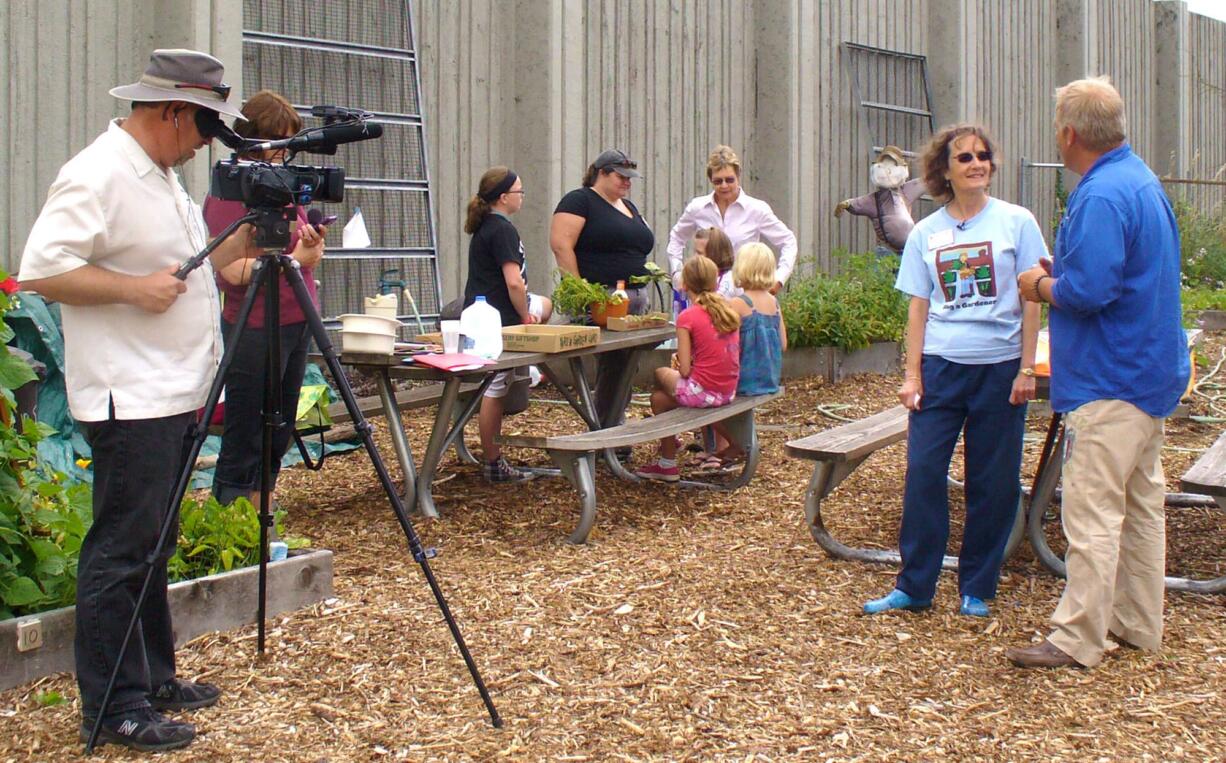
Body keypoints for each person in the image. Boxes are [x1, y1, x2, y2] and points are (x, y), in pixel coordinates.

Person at [18, 49, 256, 752]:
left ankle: (152, 674)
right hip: (132, 394)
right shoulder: (98, 172)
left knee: (154, 543)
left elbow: (179, 267)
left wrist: (241, 240)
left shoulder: (159, 176)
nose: (206, 142)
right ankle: (112, 704)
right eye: (205, 126)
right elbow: (43, 267)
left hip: (171, 389)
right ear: (172, 111)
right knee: (122, 550)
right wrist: (131, 291)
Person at [1007, 77, 1190, 669]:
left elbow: (1091, 292)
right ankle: (1137, 622)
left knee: (1091, 513)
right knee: (1140, 507)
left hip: (1111, 378)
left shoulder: (1100, 194)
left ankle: (1077, 637)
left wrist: (1041, 285)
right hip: (1151, 374)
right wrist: (1067, 269)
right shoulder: (1139, 180)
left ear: (1068, 132)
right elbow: (1128, 270)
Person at [862, 123, 1044, 619]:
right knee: (923, 475)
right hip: (942, 369)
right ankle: (915, 585)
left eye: (983, 155)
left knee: (994, 481)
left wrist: (1027, 367)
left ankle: (977, 587)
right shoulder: (927, 232)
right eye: (964, 157)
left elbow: (1033, 301)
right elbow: (918, 309)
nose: (976, 163)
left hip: (1000, 370)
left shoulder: (1017, 223)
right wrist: (912, 376)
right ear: (944, 169)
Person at [204, 89, 328, 511]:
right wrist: (295, 259)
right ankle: (231, 526)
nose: (281, 156)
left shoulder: (281, 186)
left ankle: (264, 518)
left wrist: (311, 246)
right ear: (253, 139)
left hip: (296, 317)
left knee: (279, 428)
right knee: (248, 429)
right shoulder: (231, 191)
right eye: (277, 144)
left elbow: (294, 251)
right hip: (254, 324)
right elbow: (230, 271)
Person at [550, 149, 654, 428]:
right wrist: (579, 292)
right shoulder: (580, 201)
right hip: (602, 295)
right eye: (621, 177)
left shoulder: (629, 207)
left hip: (634, 296)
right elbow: (561, 244)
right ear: (602, 173)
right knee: (613, 361)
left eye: (630, 178)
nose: (627, 183)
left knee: (625, 362)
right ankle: (605, 426)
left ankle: (612, 422)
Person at [462, 166, 553, 483]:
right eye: (519, 191)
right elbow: (514, 283)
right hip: (498, 320)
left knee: (545, 304)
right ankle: (492, 462)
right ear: (503, 197)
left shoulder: (488, 226)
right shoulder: (502, 229)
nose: (522, 197)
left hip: (488, 315)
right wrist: (524, 315)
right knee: (495, 388)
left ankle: (528, 372)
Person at [635, 255, 740, 482]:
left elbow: (683, 370)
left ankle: (669, 455)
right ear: (715, 282)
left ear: (685, 284)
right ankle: (667, 462)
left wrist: (684, 365)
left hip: (704, 393)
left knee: (660, 374)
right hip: (728, 390)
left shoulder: (687, 316)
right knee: (659, 399)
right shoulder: (728, 311)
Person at [666, 145, 798, 295]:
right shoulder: (698, 208)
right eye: (717, 181)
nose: (724, 186)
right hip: (704, 294)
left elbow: (788, 241)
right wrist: (678, 273)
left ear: (738, 176)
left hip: (744, 295)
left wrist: (779, 279)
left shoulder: (756, 209)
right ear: (710, 180)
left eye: (729, 180)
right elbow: (676, 238)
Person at [702, 243, 788, 472]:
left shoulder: (736, 304)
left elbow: (720, 344)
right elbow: (784, 344)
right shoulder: (774, 303)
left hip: (743, 381)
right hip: (768, 379)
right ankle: (736, 445)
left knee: (700, 400)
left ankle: (736, 445)